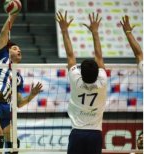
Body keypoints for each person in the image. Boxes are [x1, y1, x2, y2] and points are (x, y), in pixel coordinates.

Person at [0, 10, 43, 153]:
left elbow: (19, 103)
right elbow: (4, 33)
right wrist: (13, 15)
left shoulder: (18, 77)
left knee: (14, 145)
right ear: (8, 50)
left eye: (20, 49)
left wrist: (32, 95)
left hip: (6, 109)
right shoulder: (0, 57)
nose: (19, 50)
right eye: (15, 48)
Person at [56, 11, 107, 154]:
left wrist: (64, 30)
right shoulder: (102, 82)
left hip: (77, 133)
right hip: (95, 134)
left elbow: (70, 55)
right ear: (98, 73)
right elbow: (99, 56)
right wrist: (95, 32)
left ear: (81, 73)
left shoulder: (76, 80)